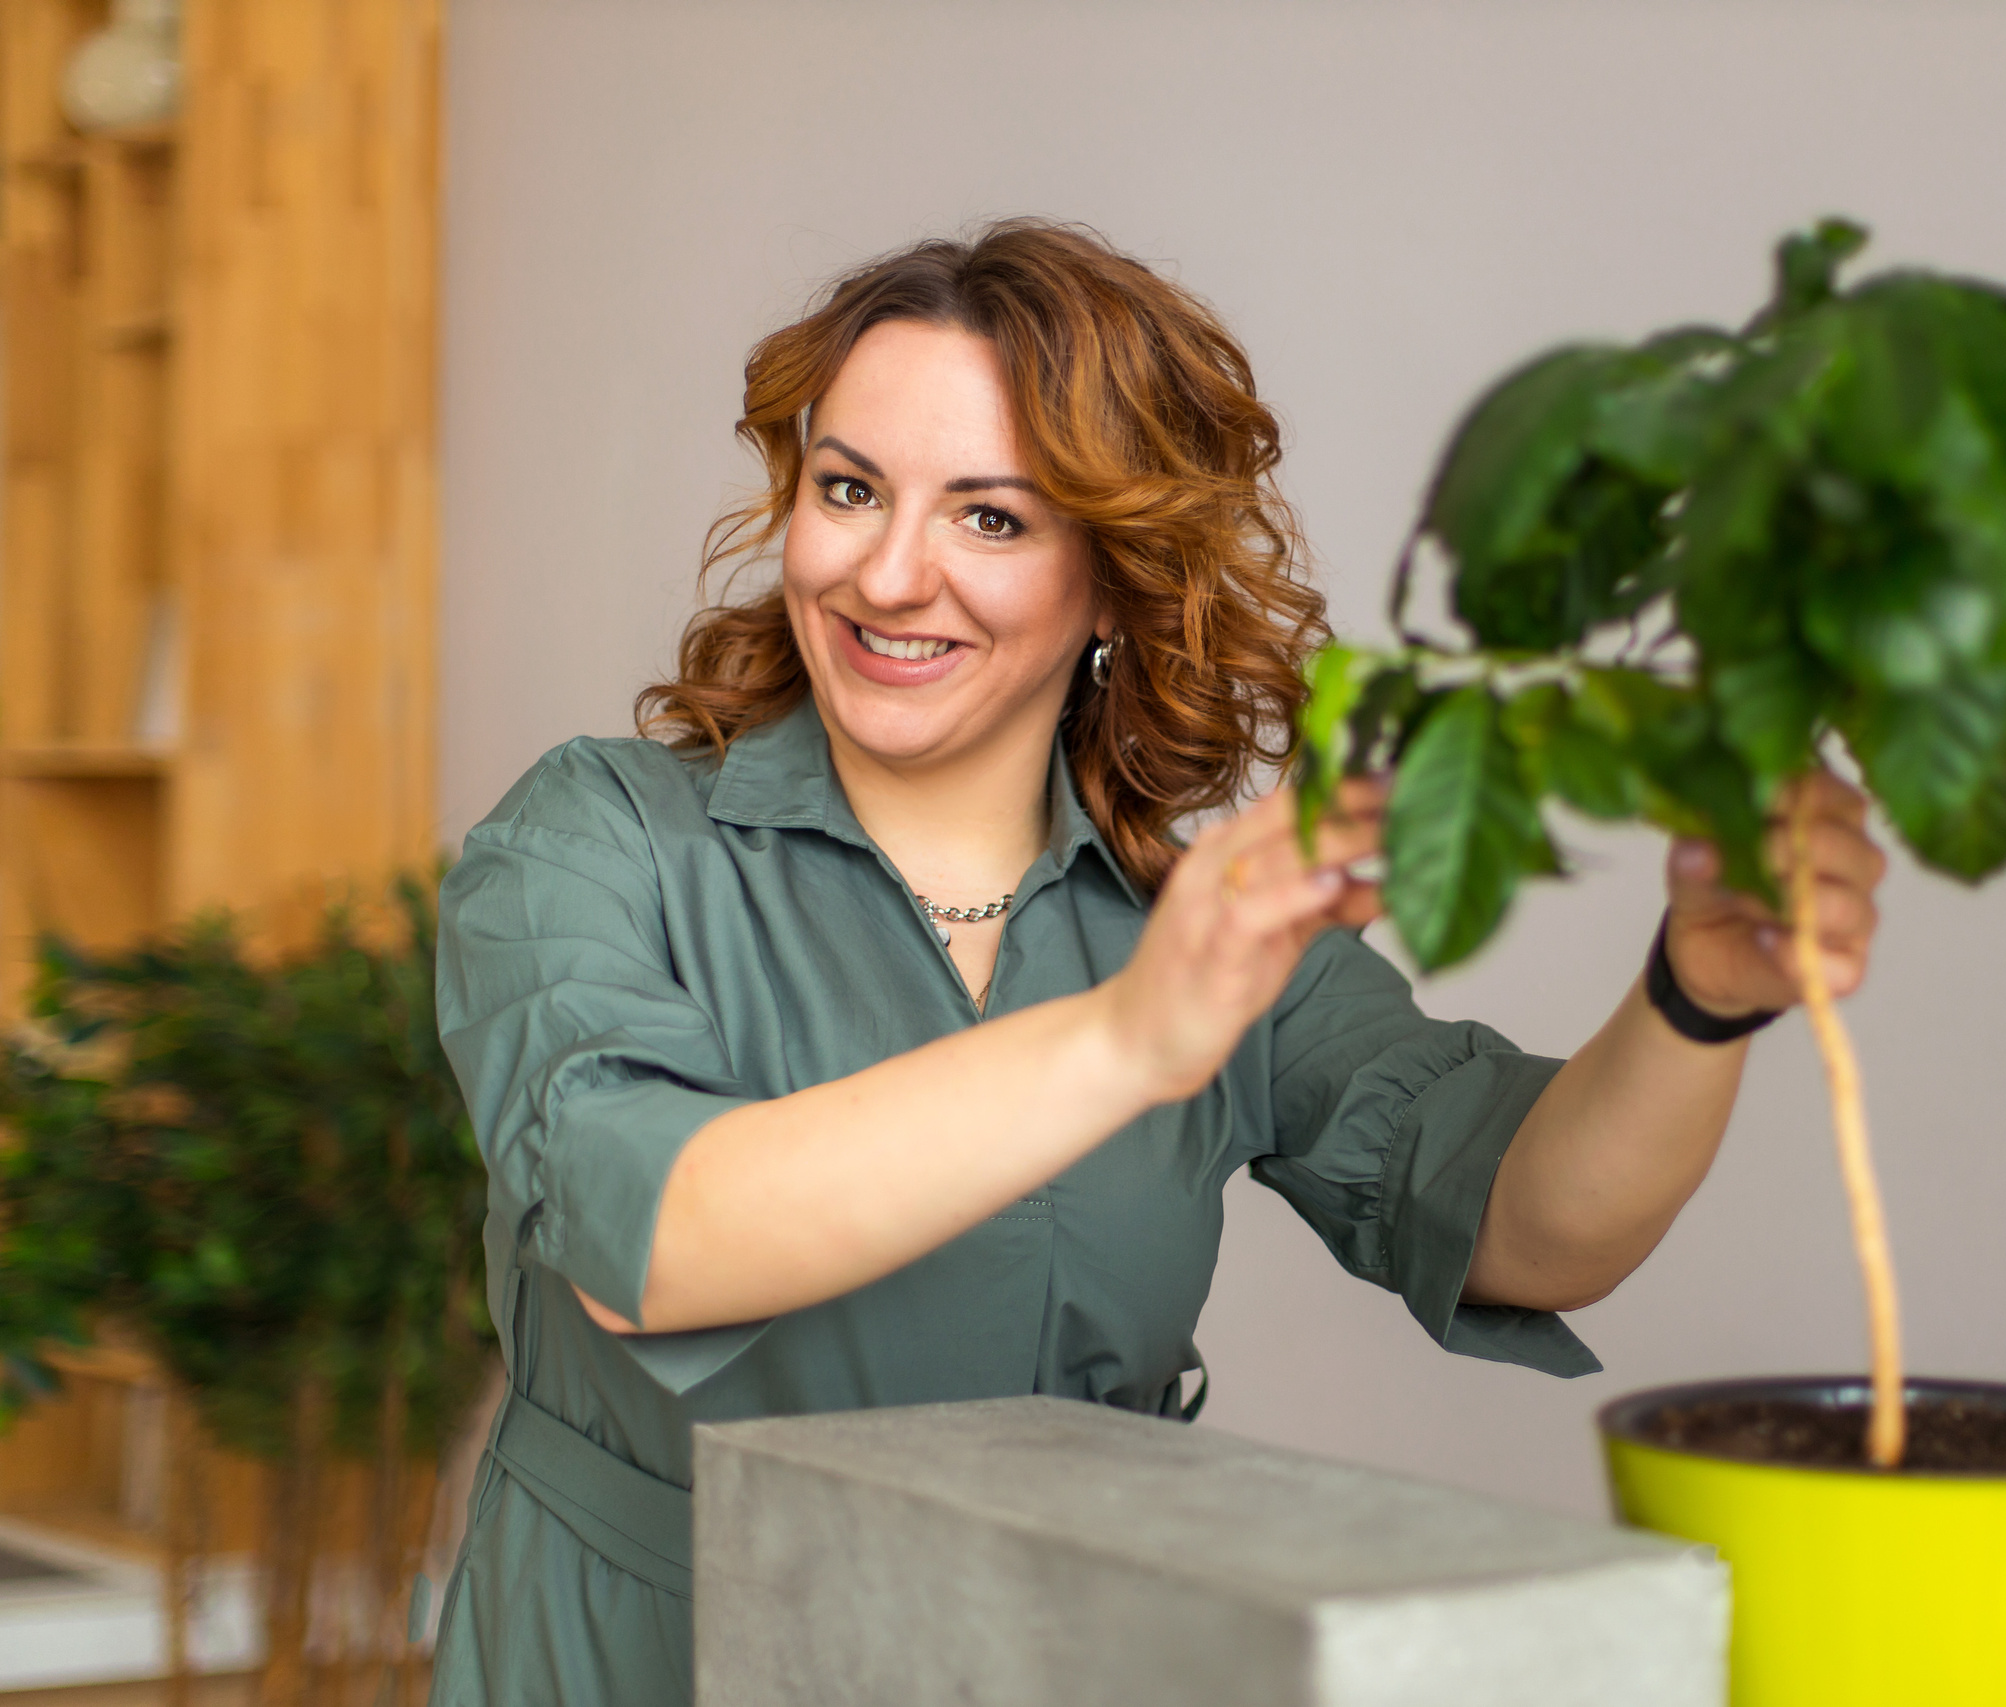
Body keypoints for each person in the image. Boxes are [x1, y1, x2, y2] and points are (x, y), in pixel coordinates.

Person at [427, 219, 1884, 1705]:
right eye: (848, 488)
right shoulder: (597, 838)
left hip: (1042, 1661)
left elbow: (1521, 1223)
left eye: (989, 519)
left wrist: (1698, 999)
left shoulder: (1190, 921)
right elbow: (649, 1235)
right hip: (640, 1661)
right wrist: (1130, 1038)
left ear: (1112, 580)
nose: (887, 572)